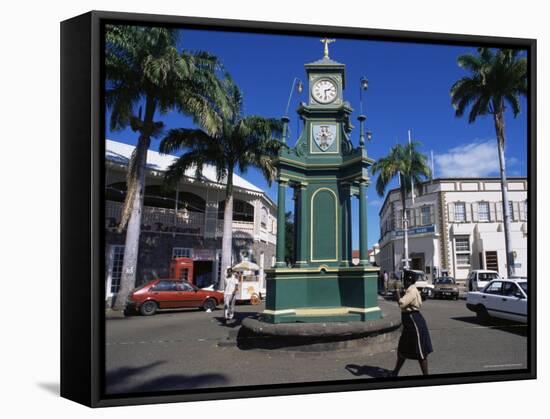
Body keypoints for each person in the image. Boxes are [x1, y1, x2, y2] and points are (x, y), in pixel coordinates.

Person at [390, 269, 433, 376]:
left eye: (404, 280)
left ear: (409, 281)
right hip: (409, 323)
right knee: (402, 350)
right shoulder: (411, 289)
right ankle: (395, 372)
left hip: (414, 322)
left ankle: (426, 376)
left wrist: (396, 291)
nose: (403, 282)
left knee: (421, 352)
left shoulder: (412, 291)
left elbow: (401, 303)